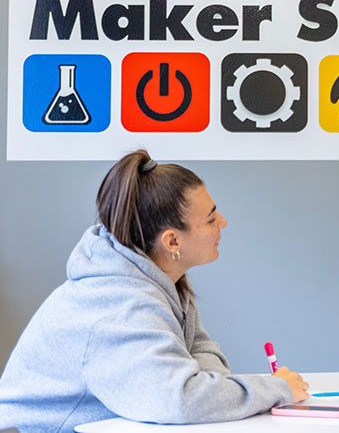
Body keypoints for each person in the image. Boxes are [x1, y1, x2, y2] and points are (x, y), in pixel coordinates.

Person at [0, 150, 308, 433]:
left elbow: (199, 351)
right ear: (172, 241)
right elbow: (180, 401)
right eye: (211, 219)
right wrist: (276, 389)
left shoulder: (162, 280)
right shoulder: (121, 308)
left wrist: (212, 390)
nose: (223, 223)